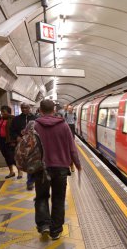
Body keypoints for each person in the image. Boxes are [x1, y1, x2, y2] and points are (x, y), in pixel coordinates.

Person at [34, 99, 82, 240]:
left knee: (41, 197)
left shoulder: (34, 125)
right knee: (58, 199)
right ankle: (56, 230)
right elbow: (72, 149)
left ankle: (44, 225)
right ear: (54, 110)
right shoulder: (64, 126)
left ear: (40, 110)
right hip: (60, 168)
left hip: (41, 169)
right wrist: (77, 164)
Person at [11, 103, 37, 190]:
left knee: (31, 162)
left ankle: (30, 181)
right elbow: (12, 130)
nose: (24, 109)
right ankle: (22, 173)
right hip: (21, 145)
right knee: (22, 162)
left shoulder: (35, 118)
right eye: (22, 108)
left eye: (26, 108)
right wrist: (17, 137)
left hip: (33, 145)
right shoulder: (16, 119)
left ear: (30, 108)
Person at [0, 106, 21, 179]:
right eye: (1, 111)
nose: (2, 113)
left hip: (10, 141)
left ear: (8, 112)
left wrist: (14, 141)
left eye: (4, 111)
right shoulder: (0, 119)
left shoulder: (13, 119)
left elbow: (15, 131)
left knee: (12, 157)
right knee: (6, 157)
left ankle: (19, 171)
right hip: (1, 140)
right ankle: (11, 172)